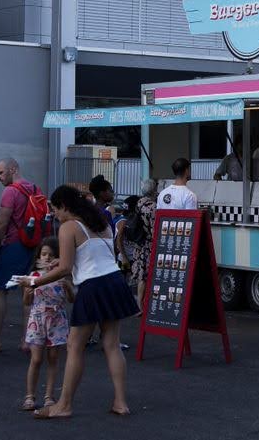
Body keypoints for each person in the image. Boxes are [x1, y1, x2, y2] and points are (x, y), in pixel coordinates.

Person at [27, 185, 139, 420]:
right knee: (112, 344)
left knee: (74, 345)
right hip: (115, 282)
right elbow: (89, 258)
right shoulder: (102, 224)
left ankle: (64, 405)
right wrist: (55, 267)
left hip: (93, 286)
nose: (55, 214)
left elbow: (66, 268)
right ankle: (121, 402)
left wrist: (34, 282)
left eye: (55, 209)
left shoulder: (69, 227)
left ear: (65, 206)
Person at [0, 157, 41, 353]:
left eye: (0, 172)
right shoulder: (35, 189)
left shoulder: (10, 191)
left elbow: (2, 224)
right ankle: (27, 340)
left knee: (0, 290)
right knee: (28, 292)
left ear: (13, 169)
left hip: (14, 245)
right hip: (33, 245)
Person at [20, 237, 73, 411]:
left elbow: (71, 300)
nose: (47, 258)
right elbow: (27, 302)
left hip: (57, 320)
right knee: (35, 359)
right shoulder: (33, 277)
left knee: (53, 358)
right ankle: (29, 396)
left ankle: (49, 396)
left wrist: (68, 288)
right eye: (44, 254)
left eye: (51, 255)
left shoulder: (62, 276)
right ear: (38, 257)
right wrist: (28, 291)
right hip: (37, 319)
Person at [126, 180, 158, 305]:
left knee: (141, 274)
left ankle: (139, 303)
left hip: (139, 243)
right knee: (148, 274)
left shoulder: (139, 203)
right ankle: (144, 303)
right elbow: (154, 229)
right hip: (149, 244)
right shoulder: (153, 207)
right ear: (153, 190)